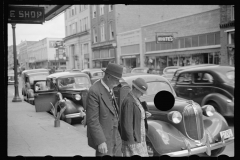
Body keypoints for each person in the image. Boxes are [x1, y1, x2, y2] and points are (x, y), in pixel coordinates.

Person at [86, 63, 123, 156]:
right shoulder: (94, 91)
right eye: (116, 79)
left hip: (115, 137)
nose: (118, 82)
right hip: (105, 139)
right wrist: (100, 141)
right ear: (108, 77)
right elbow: (92, 120)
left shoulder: (109, 87)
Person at [120, 78, 151, 157]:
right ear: (135, 89)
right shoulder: (129, 101)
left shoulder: (135, 99)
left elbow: (136, 113)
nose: (142, 94)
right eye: (141, 92)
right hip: (133, 140)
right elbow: (127, 123)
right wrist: (131, 141)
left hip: (138, 138)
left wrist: (144, 114)